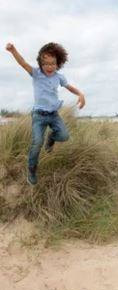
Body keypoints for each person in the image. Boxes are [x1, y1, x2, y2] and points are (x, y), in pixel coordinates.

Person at [5, 42, 86, 185]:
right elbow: (23, 63)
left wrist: (80, 93)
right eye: (46, 64)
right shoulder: (36, 74)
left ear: (58, 63)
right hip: (39, 116)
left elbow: (69, 87)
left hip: (54, 115)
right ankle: (32, 169)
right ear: (40, 63)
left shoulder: (59, 77)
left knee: (64, 136)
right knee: (37, 142)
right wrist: (13, 51)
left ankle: (51, 139)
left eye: (52, 63)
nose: (49, 67)